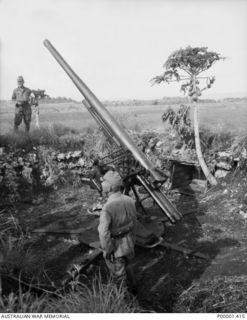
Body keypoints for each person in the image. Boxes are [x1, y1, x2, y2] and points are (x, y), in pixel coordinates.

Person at [98, 170, 138, 293]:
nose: (102, 183)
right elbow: (135, 222)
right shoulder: (129, 200)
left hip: (116, 248)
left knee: (119, 275)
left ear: (109, 187)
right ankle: (134, 290)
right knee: (129, 267)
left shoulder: (107, 207)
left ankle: (125, 301)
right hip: (129, 243)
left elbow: (104, 233)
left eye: (104, 181)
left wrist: (107, 250)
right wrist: (133, 240)